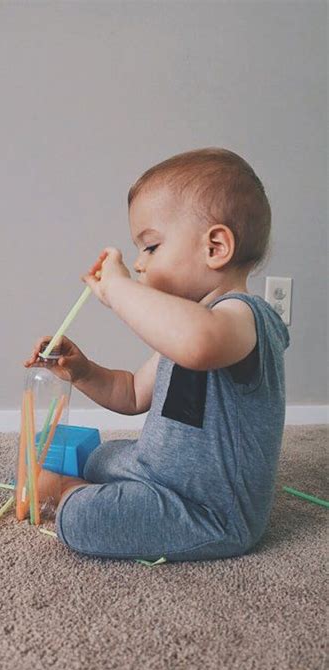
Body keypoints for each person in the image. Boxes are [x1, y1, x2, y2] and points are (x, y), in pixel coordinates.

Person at [24, 147, 290, 562]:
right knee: (102, 455)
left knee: (83, 522)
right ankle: (104, 485)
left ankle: (65, 494)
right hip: (158, 471)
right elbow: (130, 394)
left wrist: (117, 289)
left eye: (150, 247)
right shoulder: (190, 327)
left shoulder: (241, 319)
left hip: (211, 512)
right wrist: (82, 371)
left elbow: (199, 344)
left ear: (215, 247)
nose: (139, 264)